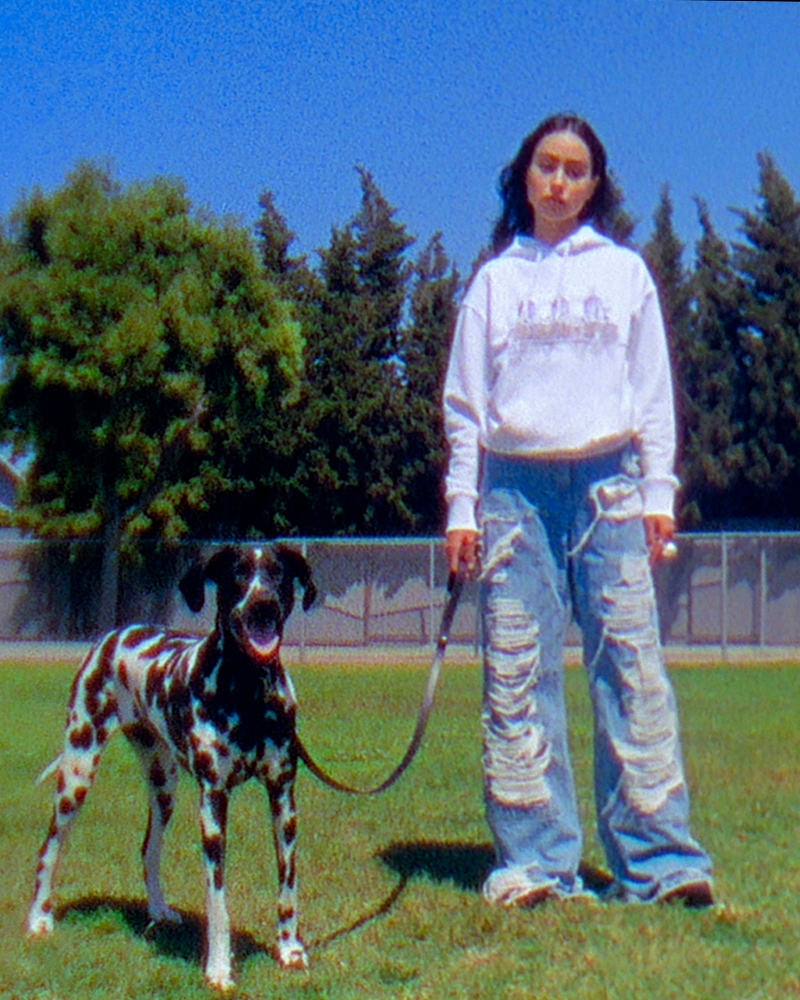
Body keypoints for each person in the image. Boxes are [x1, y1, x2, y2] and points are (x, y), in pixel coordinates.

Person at [443, 113, 714, 908]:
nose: (559, 182)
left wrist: (658, 491)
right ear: (524, 177)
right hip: (513, 492)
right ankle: (535, 863)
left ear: (595, 185)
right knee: (517, 673)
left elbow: (652, 391)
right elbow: (465, 405)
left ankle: (660, 864)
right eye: (546, 166)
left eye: (575, 170)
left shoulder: (625, 273)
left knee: (631, 668)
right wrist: (462, 506)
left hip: (610, 486)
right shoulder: (495, 281)